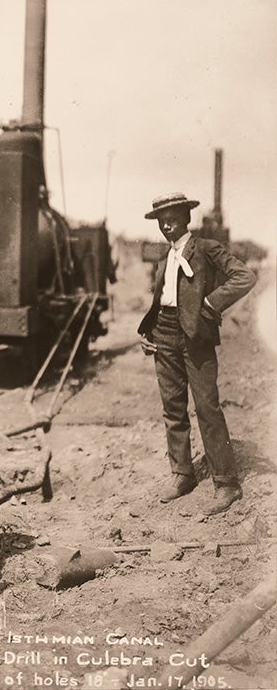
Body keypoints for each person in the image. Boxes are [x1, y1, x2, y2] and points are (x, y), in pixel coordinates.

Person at [138, 193, 256, 516]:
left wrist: (210, 304)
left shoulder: (205, 249)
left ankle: (227, 483)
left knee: (206, 406)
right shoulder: (165, 258)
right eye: (161, 220)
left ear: (186, 217)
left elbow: (245, 277)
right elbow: (161, 300)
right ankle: (182, 474)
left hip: (196, 339)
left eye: (172, 217)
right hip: (164, 334)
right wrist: (149, 334)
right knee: (172, 408)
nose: (166, 224)